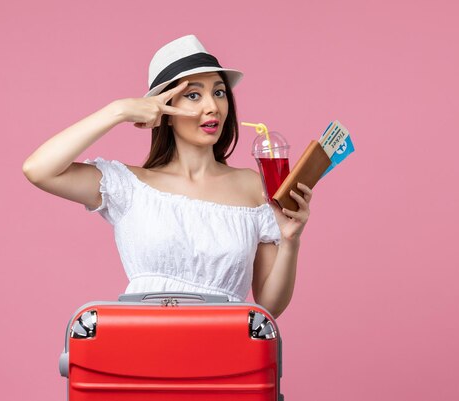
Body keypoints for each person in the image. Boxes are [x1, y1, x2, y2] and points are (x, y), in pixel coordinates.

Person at [22, 35, 312, 318]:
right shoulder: (129, 187)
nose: (212, 106)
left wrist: (290, 240)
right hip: (144, 353)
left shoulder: (253, 186)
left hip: (224, 354)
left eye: (219, 92)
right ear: (165, 110)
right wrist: (118, 110)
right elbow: (38, 169)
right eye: (193, 94)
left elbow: (269, 307)